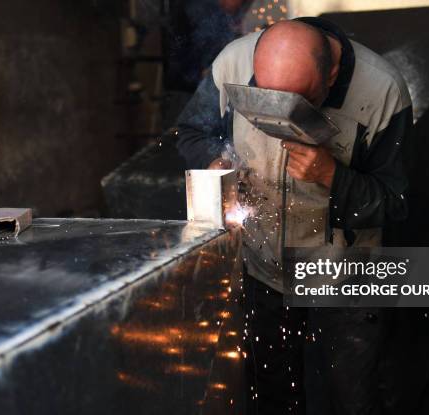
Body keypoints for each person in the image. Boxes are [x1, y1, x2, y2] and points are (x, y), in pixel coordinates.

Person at [176, 18, 412, 415]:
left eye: (297, 102)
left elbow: (396, 202)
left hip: (345, 275)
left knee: (353, 396)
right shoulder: (231, 62)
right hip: (260, 264)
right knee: (272, 393)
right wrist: (215, 161)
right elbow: (189, 132)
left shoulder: (384, 91)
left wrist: (332, 177)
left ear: (331, 75)